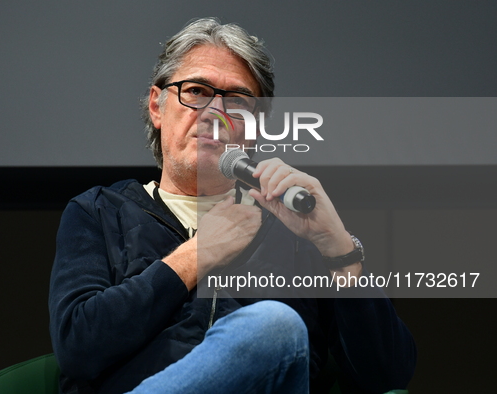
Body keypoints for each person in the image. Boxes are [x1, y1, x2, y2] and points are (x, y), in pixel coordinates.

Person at [49, 18, 417, 394]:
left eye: (237, 101)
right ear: (157, 107)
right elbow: (78, 348)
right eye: (195, 91)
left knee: (274, 328)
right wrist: (197, 254)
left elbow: (388, 375)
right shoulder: (99, 211)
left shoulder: (295, 228)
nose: (215, 114)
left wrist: (336, 247)